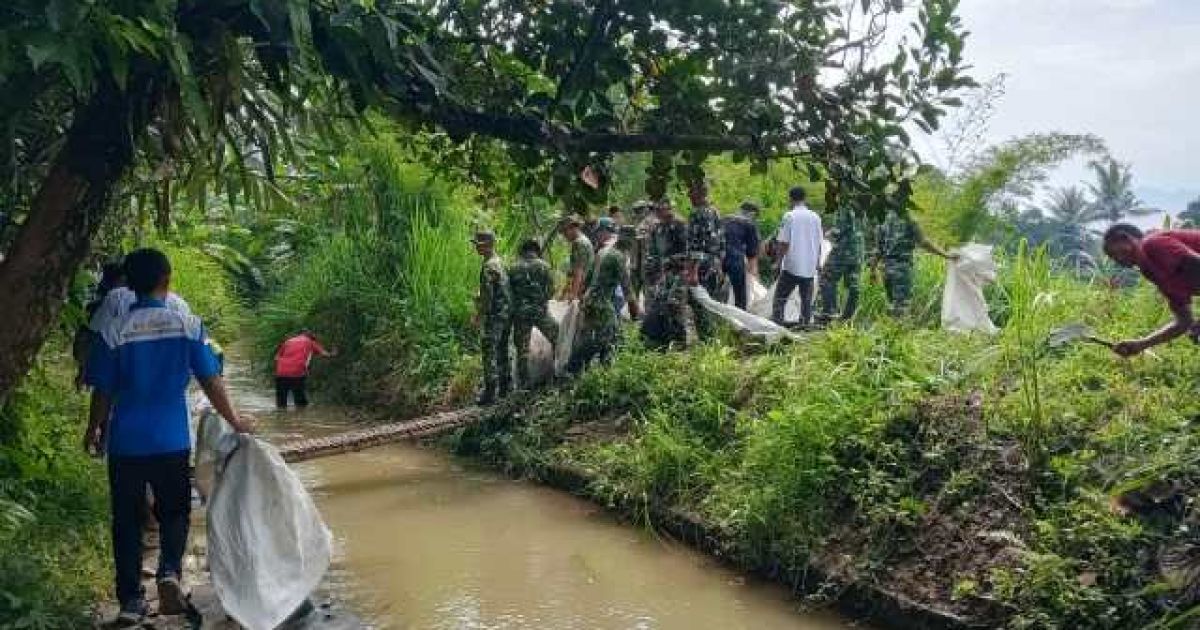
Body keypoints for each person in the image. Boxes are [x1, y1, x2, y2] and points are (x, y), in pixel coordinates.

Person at [84, 248, 252, 627]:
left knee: (126, 520)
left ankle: (130, 600)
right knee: (175, 511)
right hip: (171, 439)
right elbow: (211, 380)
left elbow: (103, 391)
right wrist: (236, 420)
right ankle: (169, 573)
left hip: (126, 441)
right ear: (167, 279)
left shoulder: (114, 329)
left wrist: (94, 427)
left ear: (128, 283)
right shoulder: (186, 324)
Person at [1102, 224, 1200, 356]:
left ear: (1126, 238)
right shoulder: (1152, 272)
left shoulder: (1152, 244)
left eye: (1114, 251)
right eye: (1111, 256)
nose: (1117, 259)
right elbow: (1184, 322)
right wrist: (1141, 344)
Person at [569, 219, 639, 372]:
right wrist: (636, 314)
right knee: (607, 337)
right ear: (630, 242)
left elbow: (586, 280)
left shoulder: (602, 251)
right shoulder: (618, 257)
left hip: (590, 300)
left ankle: (605, 369)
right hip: (600, 302)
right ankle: (574, 366)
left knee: (611, 336)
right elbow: (628, 290)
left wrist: (580, 299)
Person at [877, 206, 956, 316]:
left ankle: (890, 330)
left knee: (891, 306)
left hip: (886, 269)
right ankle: (898, 331)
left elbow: (878, 248)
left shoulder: (883, 220)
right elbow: (923, 242)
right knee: (901, 308)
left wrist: (873, 269)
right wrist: (946, 255)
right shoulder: (909, 219)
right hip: (901, 269)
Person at [641, 201, 697, 348]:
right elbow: (652, 252)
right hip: (662, 274)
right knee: (660, 305)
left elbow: (689, 252)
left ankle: (680, 342)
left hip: (679, 272)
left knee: (676, 304)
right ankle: (664, 341)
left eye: (663, 210)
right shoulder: (657, 228)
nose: (659, 213)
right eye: (657, 211)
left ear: (669, 209)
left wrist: (673, 260)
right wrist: (652, 270)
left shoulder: (680, 226)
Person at [508, 239, 558, 389]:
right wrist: (541, 301)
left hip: (521, 314)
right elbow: (551, 290)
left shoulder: (513, 268)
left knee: (522, 350)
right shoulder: (545, 266)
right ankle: (557, 374)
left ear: (522, 251)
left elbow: (509, 293)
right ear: (536, 251)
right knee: (558, 338)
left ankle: (523, 384)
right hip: (540, 312)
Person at [773, 186, 823, 327]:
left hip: (792, 265)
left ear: (791, 199)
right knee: (806, 300)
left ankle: (777, 325)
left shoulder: (789, 216)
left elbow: (783, 242)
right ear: (804, 198)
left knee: (780, 298)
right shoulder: (816, 217)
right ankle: (805, 325)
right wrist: (818, 262)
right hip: (809, 266)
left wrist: (777, 262)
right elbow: (819, 243)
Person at [473, 230, 512, 405]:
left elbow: (488, 297)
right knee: (503, 350)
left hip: (495, 315)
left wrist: (479, 315)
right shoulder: (499, 262)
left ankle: (490, 393)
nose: (476, 247)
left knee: (489, 351)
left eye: (478, 244)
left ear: (487, 245)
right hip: (506, 314)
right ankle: (506, 388)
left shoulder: (489, 266)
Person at [818, 192, 865, 322]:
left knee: (826, 278)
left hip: (843, 252)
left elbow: (839, 230)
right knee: (853, 285)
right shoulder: (861, 208)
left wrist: (825, 234)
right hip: (858, 253)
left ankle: (829, 312)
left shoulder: (845, 208)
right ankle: (848, 317)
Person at [687, 179, 726, 301]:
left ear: (698, 194)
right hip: (715, 264)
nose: (689, 196)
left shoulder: (697, 213)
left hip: (701, 266)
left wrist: (693, 271)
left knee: (700, 304)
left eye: (691, 193)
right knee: (712, 301)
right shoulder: (715, 211)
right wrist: (720, 266)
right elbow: (722, 242)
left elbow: (696, 244)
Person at [273, 330, 334, 408]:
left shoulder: (288, 341)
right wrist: (333, 353)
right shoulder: (310, 342)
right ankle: (301, 417)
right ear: (311, 337)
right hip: (297, 373)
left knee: (281, 403)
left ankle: (282, 418)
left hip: (281, 373)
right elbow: (324, 354)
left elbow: (276, 358)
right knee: (300, 403)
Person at [722, 201, 762, 310]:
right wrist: (754, 274)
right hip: (735, 260)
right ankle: (740, 322)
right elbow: (752, 254)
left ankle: (719, 319)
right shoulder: (749, 224)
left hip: (717, 259)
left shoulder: (724, 219)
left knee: (718, 293)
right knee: (740, 297)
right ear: (752, 214)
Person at [560, 216, 594, 301]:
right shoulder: (584, 241)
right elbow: (573, 272)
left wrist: (573, 296)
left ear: (573, 228)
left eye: (565, 231)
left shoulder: (579, 243)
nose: (564, 235)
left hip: (583, 289)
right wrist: (564, 293)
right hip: (585, 287)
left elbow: (579, 271)